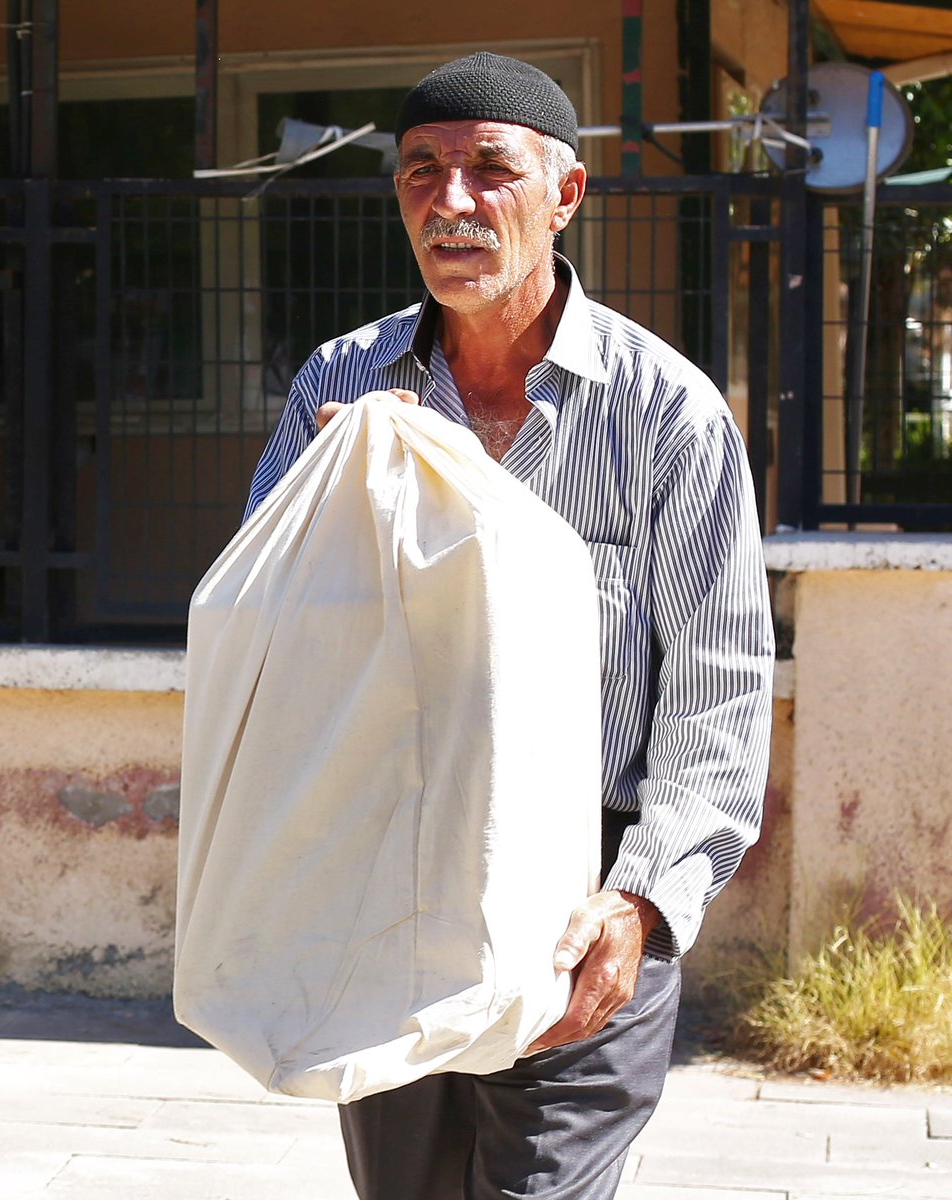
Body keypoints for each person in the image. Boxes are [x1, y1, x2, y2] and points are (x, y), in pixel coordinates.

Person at [243, 51, 775, 1200]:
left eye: (492, 170)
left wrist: (641, 901)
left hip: (578, 903)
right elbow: (266, 643)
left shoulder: (666, 415)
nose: (452, 202)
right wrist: (345, 501)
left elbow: (718, 695)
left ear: (565, 196)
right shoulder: (341, 386)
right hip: (385, 891)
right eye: (422, 173)